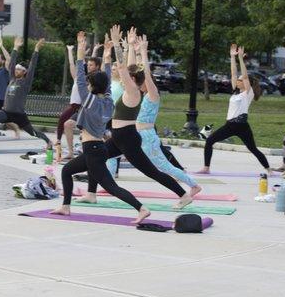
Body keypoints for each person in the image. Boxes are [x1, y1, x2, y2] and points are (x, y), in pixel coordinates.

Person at [78, 26, 192, 209]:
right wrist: (132, 47)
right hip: (118, 136)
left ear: (132, 79)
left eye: (127, 77)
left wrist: (117, 44)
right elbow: (130, 67)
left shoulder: (133, 92)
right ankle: (91, 194)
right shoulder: (130, 89)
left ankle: (184, 194)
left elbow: (124, 67)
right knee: (96, 158)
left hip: (128, 138)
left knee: (151, 171)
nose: (122, 77)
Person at [51, 32, 151, 224]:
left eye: (89, 84)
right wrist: (107, 57)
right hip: (97, 148)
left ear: (91, 87)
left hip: (93, 151)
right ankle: (65, 206)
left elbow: (80, 78)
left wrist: (81, 49)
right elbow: (104, 82)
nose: (85, 85)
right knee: (66, 171)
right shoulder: (108, 100)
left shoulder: (91, 102)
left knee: (111, 187)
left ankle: (141, 208)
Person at [134, 35, 202, 196]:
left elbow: (146, 74)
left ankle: (194, 186)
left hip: (147, 136)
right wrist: (137, 52)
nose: (138, 85)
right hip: (139, 135)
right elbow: (137, 71)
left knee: (165, 167)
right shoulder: (144, 95)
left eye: (140, 82)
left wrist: (143, 52)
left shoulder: (152, 94)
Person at [198, 44, 271, 174]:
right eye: (237, 80)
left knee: (253, 148)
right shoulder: (235, 92)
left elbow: (245, 75)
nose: (237, 80)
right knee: (209, 141)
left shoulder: (248, 93)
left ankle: (268, 169)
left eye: (240, 80)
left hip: (242, 126)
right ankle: (206, 168)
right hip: (229, 125)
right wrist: (232, 57)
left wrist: (241, 60)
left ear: (245, 83)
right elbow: (233, 73)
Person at [0, 39, 52, 152]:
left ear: (24, 72)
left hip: (19, 115)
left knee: (33, 133)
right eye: (16, 69)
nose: (16, 71)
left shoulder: (26, 82)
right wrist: (15, 48)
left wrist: (36, 49)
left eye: (19, 70)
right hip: (6, 112)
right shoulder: (12, 78)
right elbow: (12, 63)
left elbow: (32, 66)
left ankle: (48, 142)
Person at [58, 36, 103, 161]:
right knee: (67, 124)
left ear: (97, 66)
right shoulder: (85, 76)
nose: (88, 66)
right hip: (83, 108)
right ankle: (71, 152)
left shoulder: (99, 76)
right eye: (87, 65)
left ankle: (110, 149)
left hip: (94, 109)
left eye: (91, 65)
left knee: (100, 134)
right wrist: (80, 49)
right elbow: (78, 63)